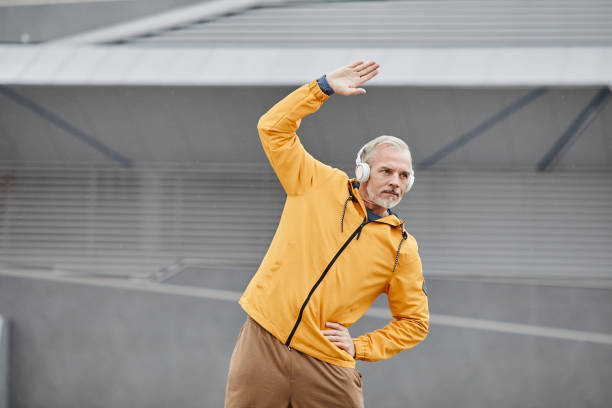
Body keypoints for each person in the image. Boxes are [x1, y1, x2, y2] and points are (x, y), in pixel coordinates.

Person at [225, 60, 429, 408]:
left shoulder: (402, 248)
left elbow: (414, 322)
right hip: (264, 343)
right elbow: (272, 128)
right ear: (362, 169)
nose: (395, 181)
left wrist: (359, 347)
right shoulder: (318, 183)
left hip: (327, 362)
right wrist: (322, 88)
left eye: (403, 175)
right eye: (386, 171)